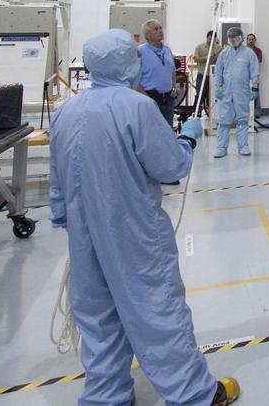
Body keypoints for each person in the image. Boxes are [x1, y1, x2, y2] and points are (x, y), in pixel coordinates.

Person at [49, 29, 240, 406]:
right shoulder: (136, 107)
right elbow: (168, 167)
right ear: (124, 62)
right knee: (156, 308)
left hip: (84, 234)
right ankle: (192, 395)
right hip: (132, 229)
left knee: (98, 316)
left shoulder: (66, 110)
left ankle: (107, 396)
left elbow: (59, 177)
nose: (140, 62)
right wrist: (186, 140)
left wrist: (63, 216)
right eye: (135, 57)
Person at [213, 27, 259, 158]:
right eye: (231, 37)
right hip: (225, 92)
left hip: (242, 92)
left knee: (242, 120)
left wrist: (254, 88)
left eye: (235, 37)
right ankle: (221, 148)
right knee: (223, 121)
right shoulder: (224, 54)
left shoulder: (249, 54)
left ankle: (243, 146)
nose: (233, 39)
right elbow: (219, 71)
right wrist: (218, 87)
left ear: (241, 37)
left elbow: (255, 72)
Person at [138, 19, 177, 127]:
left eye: (160, 28)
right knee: (151, 130)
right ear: (147, 35)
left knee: (167, 130)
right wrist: (146, 97)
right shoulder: (140, 52)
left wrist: (174, 87)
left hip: (168, 98)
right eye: (155, 29)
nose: (160, 31)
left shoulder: (167, 50)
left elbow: (172, 71)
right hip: (149, 97)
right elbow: (134, 78)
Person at [190, 30, 220, 117]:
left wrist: (215, 57)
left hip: (213, 76)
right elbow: (195, 59)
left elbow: (221, 60)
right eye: (210, 38)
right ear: (207, 37)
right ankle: (196, 113)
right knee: (200, 94)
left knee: (212, 96)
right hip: (202, 75)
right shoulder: (199, 47)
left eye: (213, 39)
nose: (211, 41)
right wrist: (207, 58)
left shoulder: (218, 48)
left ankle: (211, 114)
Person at [245, 33, 263, 121]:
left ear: (255, 40)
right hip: (244, 76)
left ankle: (256, 113)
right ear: (246, 40)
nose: (251, 41)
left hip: (254, 76)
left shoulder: (258, 51)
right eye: (249, 39)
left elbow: (258, 61)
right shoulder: (243, 50)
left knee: (255, 95)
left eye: (252, 39)